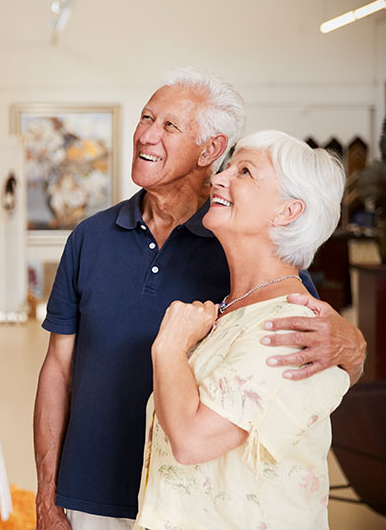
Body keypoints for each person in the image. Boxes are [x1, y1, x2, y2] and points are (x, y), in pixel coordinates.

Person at [33, 68, 367, 530]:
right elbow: (57, 368)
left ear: (209, 149)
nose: (146, 134)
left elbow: (311, 349)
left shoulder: (246, 253)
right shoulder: (90, 237)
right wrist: (47, 496)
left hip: (189, 508)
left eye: (169, 125)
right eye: (146, 118)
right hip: (91, 495)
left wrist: (355, 345)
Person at [133, 130, 349, 529]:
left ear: (287, 212)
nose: (218, 177)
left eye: (245, 171)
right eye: (228, 166)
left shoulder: (290, 327)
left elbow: (192, 440)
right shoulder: (231, 312)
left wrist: (169, 346)